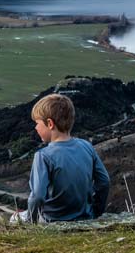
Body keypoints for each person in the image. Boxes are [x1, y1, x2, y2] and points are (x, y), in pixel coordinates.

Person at [14, 93, 110, 223]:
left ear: (50, 123)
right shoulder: (86, 146)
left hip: (52, 219)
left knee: (14, 218)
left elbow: (37, 197)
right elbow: (104, 182)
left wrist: (31, 223)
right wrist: (95, 213)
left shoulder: (43, 156)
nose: (35, 127)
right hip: (85, 216)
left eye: (37, 123)